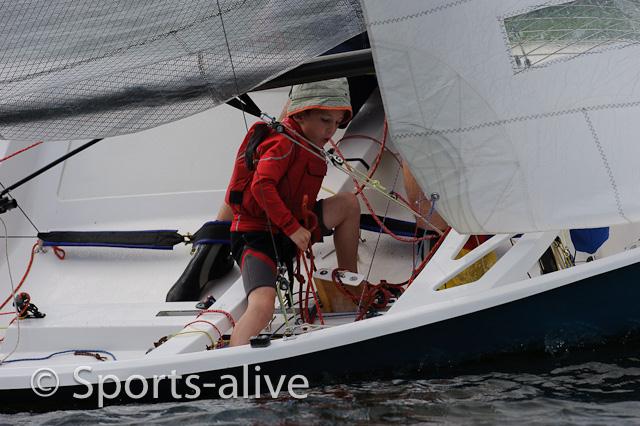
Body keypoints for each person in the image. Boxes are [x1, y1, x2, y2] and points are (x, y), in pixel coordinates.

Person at [225, 78, 361, 346]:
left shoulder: (308, 143)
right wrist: (292, 228)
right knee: (263, 306)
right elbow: (262, 185)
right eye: (325, 121)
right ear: (301, 113)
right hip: (257, 238)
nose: (331, 130)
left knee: (348, 204)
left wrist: (294, 227)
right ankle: (234, 367)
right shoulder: (283, 142)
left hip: (292, 229)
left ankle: (345, 286)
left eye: (336, 123)